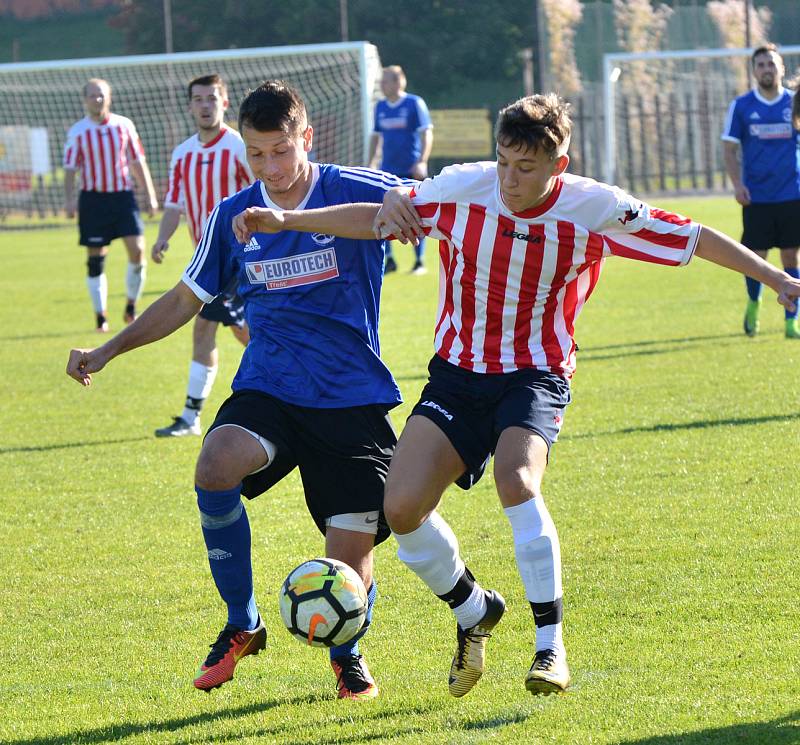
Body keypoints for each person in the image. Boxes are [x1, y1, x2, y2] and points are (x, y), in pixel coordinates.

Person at [236, 93, 800, 699]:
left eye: (525, 167)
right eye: (503, 161)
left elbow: (692, 238)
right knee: (399, 509)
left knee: (517, 478)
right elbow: (379, 217)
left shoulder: (594, 206)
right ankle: (474, 608)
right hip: (457, 374)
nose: (509, 178)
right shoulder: (463, 188)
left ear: (559, 164)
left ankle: (549, 645)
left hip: (535, 374)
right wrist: (290, 221)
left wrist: (778, 278)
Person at [66, 81, 414, 700]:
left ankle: (347, 652)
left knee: (348, 556)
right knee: (216, 460)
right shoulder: (232, 216)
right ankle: (241, 622)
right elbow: (183, 299)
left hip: (350, 396)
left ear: (305, 139)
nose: (271, 168)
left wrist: (324, 215)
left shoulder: (351, 186)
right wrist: (109, 348)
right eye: (257, 154)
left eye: (281, 151)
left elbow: (402, 205)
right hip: (272, 387)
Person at [151, 74, 253, 438]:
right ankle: (191, 417)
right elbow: (175, 205)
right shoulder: (182, 154)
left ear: (225, 102)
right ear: (190, 105)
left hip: (243, 257)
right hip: (207, 260)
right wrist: (163, 239)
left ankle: (192, 416)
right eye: (199, 99)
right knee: (220, 330)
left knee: (236, 331)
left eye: (212, 98)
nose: (205, 105)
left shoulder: (240, 146)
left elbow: (260, 193)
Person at [64, 78, 159, 332]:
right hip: (93, 200)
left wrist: (149, 195)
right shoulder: (78, 131)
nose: (97, 99)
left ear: (109, 97)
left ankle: (131, 305)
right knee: (96, 257)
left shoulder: (124, 125)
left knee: (138, 251)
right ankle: (100, 316)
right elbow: (71, 169)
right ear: (85, 100)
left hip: (122, 197)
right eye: (92, 95)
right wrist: (69, 198)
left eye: (101, 95)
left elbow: (138, 161)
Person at [722, 44, 800, 339]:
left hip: (792, 193)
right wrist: (737, 185)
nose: (767, 69)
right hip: (756, 197)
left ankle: (791, 321)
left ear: (781, 68)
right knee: (756, 257)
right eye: (761, 65)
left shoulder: (795, 103)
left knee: (791, 258)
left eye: (771, 64)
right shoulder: (741, 106)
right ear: (754, 71)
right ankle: (754, 302)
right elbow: (729, 149)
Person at [368, 65, 433, 275]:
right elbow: (376, 137)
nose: (382, 86)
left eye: (385, 81)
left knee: (416, 214)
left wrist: (422, 161)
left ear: (398, 82)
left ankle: (419, 261)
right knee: (383, 213)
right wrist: (371, 163)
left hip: (410, 169)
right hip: (387, 170)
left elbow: (426, 133)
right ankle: (390, 260)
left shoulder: (414, 103)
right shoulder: (380, 107)